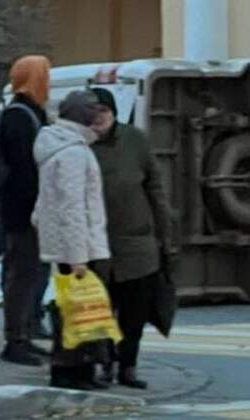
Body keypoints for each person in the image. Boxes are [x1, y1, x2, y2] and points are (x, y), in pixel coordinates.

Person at [89, 87, 178, 389]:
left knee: (134, 313)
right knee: (100, 312)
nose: (98, 118)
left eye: (103, 111)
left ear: (113, 113)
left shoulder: (135, 141)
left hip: (138, 245)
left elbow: (155, 189)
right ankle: (105, 364)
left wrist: (165, 236)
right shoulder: (81, 144)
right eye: (92, 112)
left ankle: (128, 366)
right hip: (97, 246)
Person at [31, 91, 110, 390]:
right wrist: (80, 256)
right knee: (80, 312)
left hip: (65, 244)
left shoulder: (58, 146)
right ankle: (73, 370)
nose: (99, 119)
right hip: (80, 247)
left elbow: (46, 202)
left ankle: (74, 369)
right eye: (94, 113)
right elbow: (74, 206)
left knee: (73, 309)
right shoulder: (74, 152)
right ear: (83, 116)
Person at [0, 55, 51, 366]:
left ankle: (25, 333)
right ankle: (15, 340)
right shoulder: (19, 116)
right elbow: (25, 168)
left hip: (24, 208)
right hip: (24, 211)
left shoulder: (27, 112)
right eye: (45, 75)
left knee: (30, 273)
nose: (49, 82)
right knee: (22, 274)